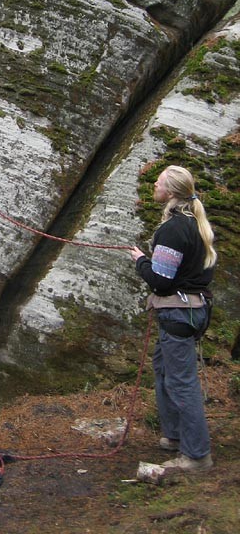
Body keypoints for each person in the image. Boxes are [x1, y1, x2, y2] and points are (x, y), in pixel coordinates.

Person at [130, 165, 216, 473]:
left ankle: (196, 455)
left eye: (159, 181)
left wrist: (140, 261)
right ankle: (174, 435)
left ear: (170, 192)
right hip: (192, 312)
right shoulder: (195, 224)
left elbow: (161, 281)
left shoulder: (173, 229)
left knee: (182, 382)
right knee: (164, 367)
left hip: (180, 314)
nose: (154, 183)